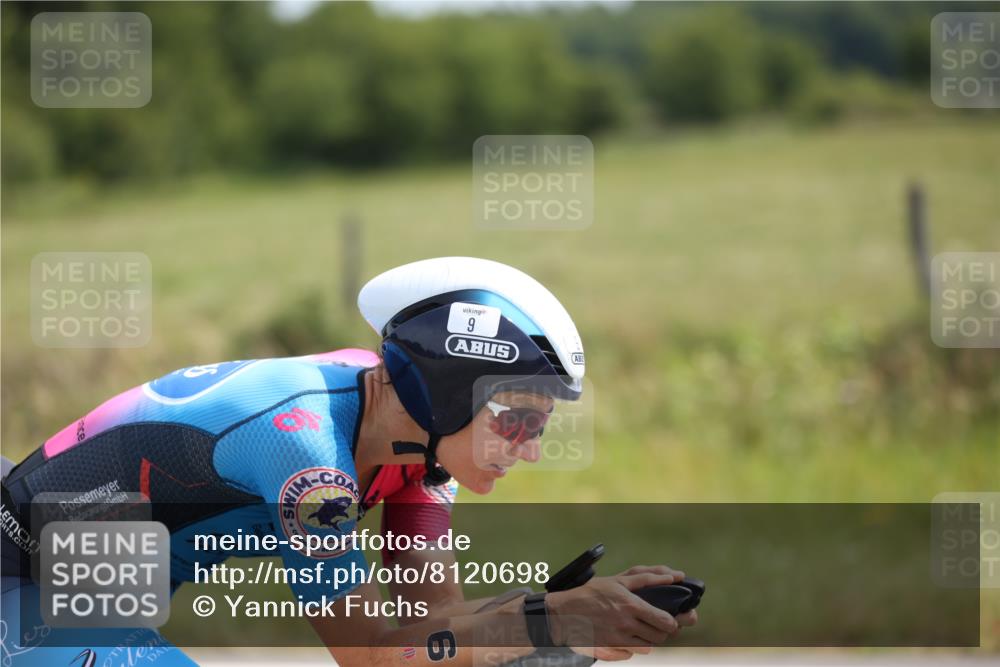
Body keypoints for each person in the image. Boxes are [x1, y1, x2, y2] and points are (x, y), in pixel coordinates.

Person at [1, 257, 696, 666]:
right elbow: (370, 653)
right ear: (445, 391)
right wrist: (552, 620)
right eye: (518, 419)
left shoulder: (412, 450)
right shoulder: (308, 457)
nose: (534, 446)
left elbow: (431, 630)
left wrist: (563, 610)